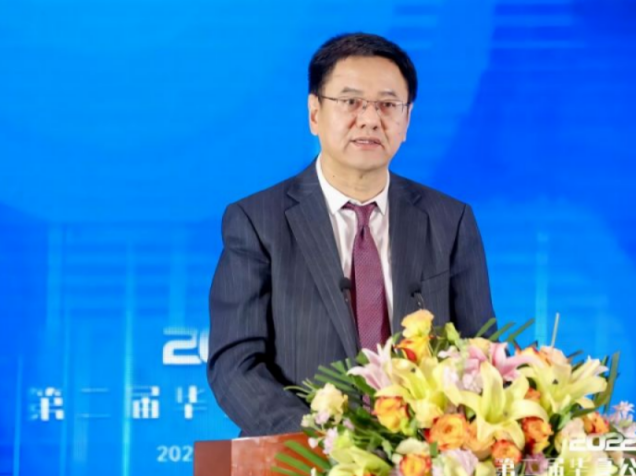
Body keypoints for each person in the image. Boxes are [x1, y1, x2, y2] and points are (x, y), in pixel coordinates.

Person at [208, 33, 496, 437]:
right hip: (302, 458)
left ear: (407, 120)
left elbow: (479, 355)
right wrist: (327, 442)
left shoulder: (450, 220)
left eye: (388, 105)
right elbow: (235, 364)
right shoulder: (257, 222)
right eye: (351, 102)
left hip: (424, 459)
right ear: (314, 113)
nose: (370, 119)